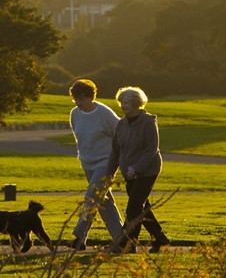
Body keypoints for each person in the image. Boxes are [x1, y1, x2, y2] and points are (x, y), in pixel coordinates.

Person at [106, 86, 170, 254]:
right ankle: (160, 240)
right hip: (129, 173)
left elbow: (151, 149)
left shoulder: (148, 122)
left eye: (126, 102)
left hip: (147, 170)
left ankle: (125, 245)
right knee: (141, 208)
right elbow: (115, 151)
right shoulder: (121, 124)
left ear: (136, 103)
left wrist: (137, 168)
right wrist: (109, 173)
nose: (123, 106)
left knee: (133, 207)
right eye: (121, 102)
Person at [67, 79, 124, 250]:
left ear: (91, 97)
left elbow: (120, 134)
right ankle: (122, 241)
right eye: (76, 99)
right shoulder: (75, 114)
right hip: (87, 162)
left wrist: (116, 159)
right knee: (104, 203)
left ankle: (78, 236)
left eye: (82, 99)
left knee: (92, 197)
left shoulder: (105, 114)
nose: (79, 103)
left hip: (106, 162)